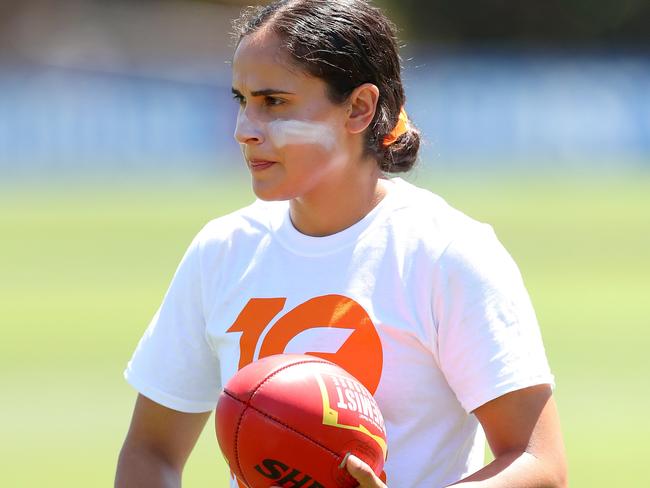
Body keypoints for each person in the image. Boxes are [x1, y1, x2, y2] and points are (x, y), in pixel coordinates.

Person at [115, 1, 567, 487]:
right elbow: (151, 451)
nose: (244, 130)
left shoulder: (446, 253)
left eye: (274, 102)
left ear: (359, 108)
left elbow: (539, 464)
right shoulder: (222, 250)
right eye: (241, 100)